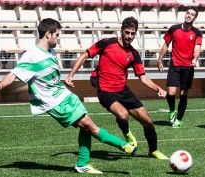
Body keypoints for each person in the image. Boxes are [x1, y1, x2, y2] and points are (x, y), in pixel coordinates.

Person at [0, 18, 137, 174]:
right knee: (89, 126)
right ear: (48, 34)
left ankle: (82, 164)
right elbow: (13, 74)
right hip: (55, 102)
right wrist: (0, 84)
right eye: (57, 35)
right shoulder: (31, 55)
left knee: (86, 128)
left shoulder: (51, 52)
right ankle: (124, 146)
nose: (58, 39)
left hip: (66, 95)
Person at [65, 16, 169, 160]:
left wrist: (158, 89)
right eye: (127, 32)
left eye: (133, 34)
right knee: (123, 115)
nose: (129, 36)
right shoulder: (107, 43)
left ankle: (153, 151)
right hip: (106, 91)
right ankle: (127, 134)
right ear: (121, 31)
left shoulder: (134, 54)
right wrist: (71, 75)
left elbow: (143, 77)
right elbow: (85, 55)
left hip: (123, 91)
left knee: (148, 122)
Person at [157, 7, 202, 128]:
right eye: (188, 13)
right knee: (171, 93)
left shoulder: (197, 33)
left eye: (192, 14)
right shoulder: (174, 29)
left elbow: (197, 48)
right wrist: (160, 60)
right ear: (185, 14)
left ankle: (179, 119)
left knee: (183, 94)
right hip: (175, 65)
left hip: (188, 67)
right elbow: (166, 44)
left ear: (195, 18)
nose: (189, 16)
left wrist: (195, 59)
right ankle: (172, 110)